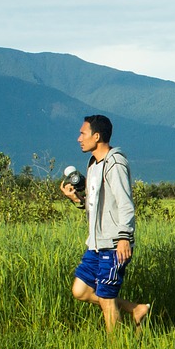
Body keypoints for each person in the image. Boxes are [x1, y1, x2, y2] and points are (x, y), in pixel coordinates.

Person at [60, 114, 151, 332]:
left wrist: (123, 238)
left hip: (113, 243)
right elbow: (97, 206)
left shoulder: (115, 163)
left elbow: (125, 203)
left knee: (106, 298)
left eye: (83, 133)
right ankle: (135, 309)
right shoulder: (93, 164)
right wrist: (77, 200)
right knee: (80, 291)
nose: (79, 138)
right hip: (96, 243)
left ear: (97, 136)